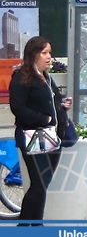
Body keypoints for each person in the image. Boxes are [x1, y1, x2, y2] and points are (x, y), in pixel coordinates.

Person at [9, 36, 72, 225]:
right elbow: (18, 107)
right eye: (44, 52)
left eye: (50, 53)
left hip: (52, 137)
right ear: (33, 54)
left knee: (42, 184)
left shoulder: (47, 77)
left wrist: (63, 104)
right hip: (33, 136)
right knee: (38, 184)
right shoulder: (22, 76)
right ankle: (25, 226)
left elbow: (54, 100)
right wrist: (44, 119)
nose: (49, 57)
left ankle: (36, 225)